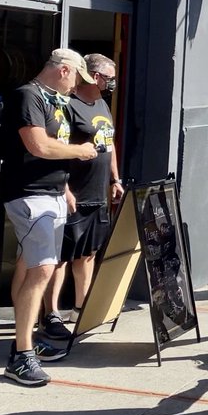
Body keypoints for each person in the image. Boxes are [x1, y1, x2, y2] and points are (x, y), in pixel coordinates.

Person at [0, 48, 99, 385]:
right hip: (29, 194)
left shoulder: (53, 100)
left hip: (51, 193)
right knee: (42, 268)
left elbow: (50, 146)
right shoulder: (28, 96)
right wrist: (80, 151)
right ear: (64, 70)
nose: (77, 86)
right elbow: (38, 146)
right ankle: (22, 354)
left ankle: (24, 340)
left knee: (35, 264)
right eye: (77, 79)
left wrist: (65, 187)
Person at [44, 53, 124, 335]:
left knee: (87, 254)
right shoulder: (68, 105)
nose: (112, 83)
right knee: (61, 257)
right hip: (73, 193)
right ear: (94, 76)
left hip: (97, 192)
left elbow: (109, 143)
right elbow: (55, 148)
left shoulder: (102, 104)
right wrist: (64, 189)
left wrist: (115, 179)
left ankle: (81, 308)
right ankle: (51, 314)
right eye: (109, 78)